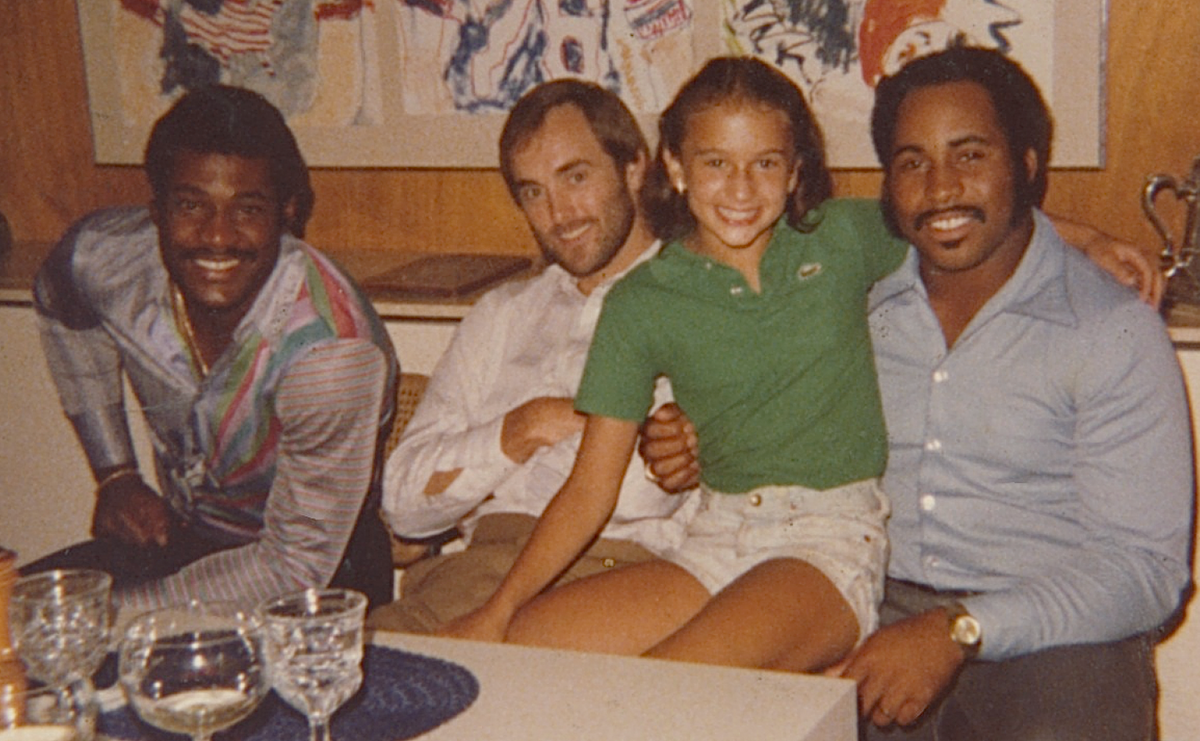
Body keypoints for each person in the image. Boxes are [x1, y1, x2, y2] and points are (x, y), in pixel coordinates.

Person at [644, 48, 1193, 740]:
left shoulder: (1109, 328)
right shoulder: (847, 295)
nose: (940, 189)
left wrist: (962, 629)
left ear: (1027, 164)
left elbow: (1145, 570)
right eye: (911, 162)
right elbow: (751, 378)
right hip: (871, 604)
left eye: (969, 156)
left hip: (1058, 634)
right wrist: (686, 434)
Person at [439, 56, 910, 672]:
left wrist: (1073, 235)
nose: (740, 190)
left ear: (796, 171)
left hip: (829, 539)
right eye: (716, 164)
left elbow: (959, 224)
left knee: (671, 680)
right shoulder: (642, 300)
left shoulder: (842, 237)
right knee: (530, 646)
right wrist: (496, 614)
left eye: (764, 164)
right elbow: (589, 489)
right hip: (715, 539)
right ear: (676, 169)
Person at [26, 85, 399, 611]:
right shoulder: (104, 259)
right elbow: (59, 302)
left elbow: (292, 567)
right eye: (191, 205)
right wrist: (115, 472)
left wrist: (104, 621)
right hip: (179, 541)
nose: (217, 237)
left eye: (247, 209)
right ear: (155, 209)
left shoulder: (332, 349)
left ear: (287, 212)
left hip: (319, 575)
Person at [367, 79, 699, 634]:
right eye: (533, 192)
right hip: (470, 576)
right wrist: (526, 426)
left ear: (634, 167)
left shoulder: (697, 300)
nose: (559, 214)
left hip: (616, 572)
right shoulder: (502, 313)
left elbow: (642, 490)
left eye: (575, 177)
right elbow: (402, 501)